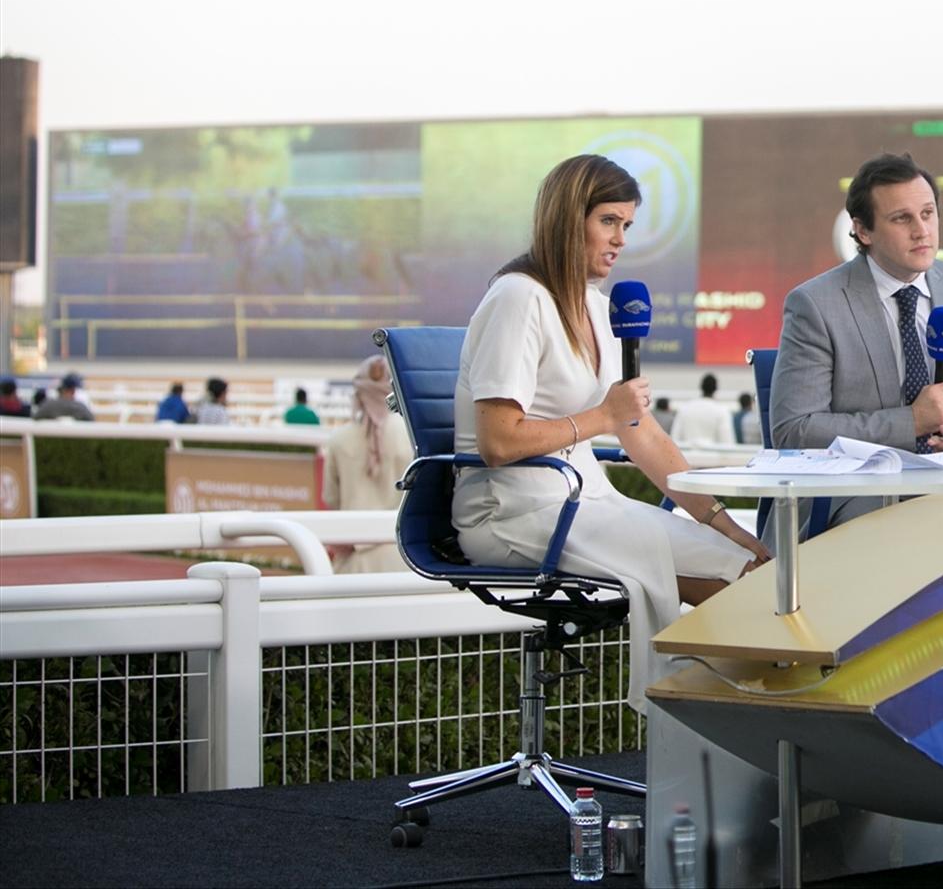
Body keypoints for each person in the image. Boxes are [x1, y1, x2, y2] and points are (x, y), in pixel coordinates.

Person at [454, 154, 770, 712]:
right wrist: (604, 417)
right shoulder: (517, 298)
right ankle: (689, 727)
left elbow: (641, 433)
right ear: (566, 218)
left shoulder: (597, 307)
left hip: (587, 504)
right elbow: (497, 442)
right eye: (608, 221)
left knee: (753, 570)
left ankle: (724, 732)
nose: (621, 239)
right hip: (513, 515)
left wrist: (724, 524)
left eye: (626, 225)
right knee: (734, 590)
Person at [770, 152, 943, 526]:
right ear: (863, 231)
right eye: (902, 218)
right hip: (854, 497)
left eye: (928, 213)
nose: (922, 230)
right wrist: (912, 421)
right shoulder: (816, 304)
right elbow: (794, 431)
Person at [321, 356, 414, 573]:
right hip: (406, 558)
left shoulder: (338, 440)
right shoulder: (412, 437)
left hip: (354, 560)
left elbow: (331, 499)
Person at [669, 374, 735, 446]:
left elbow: (675, 438)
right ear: (715, 389)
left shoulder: (684, 408)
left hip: (686, 452)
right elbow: (727, 442)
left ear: (701, 387)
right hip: (712, 452)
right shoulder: (722, 411)